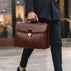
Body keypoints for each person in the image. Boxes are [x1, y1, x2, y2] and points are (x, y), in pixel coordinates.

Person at [17, 0, 63, 71]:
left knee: (57, 43)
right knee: (32, 41)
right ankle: (21, 67)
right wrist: (30, 10)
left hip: (54, 11)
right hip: (39, 11)